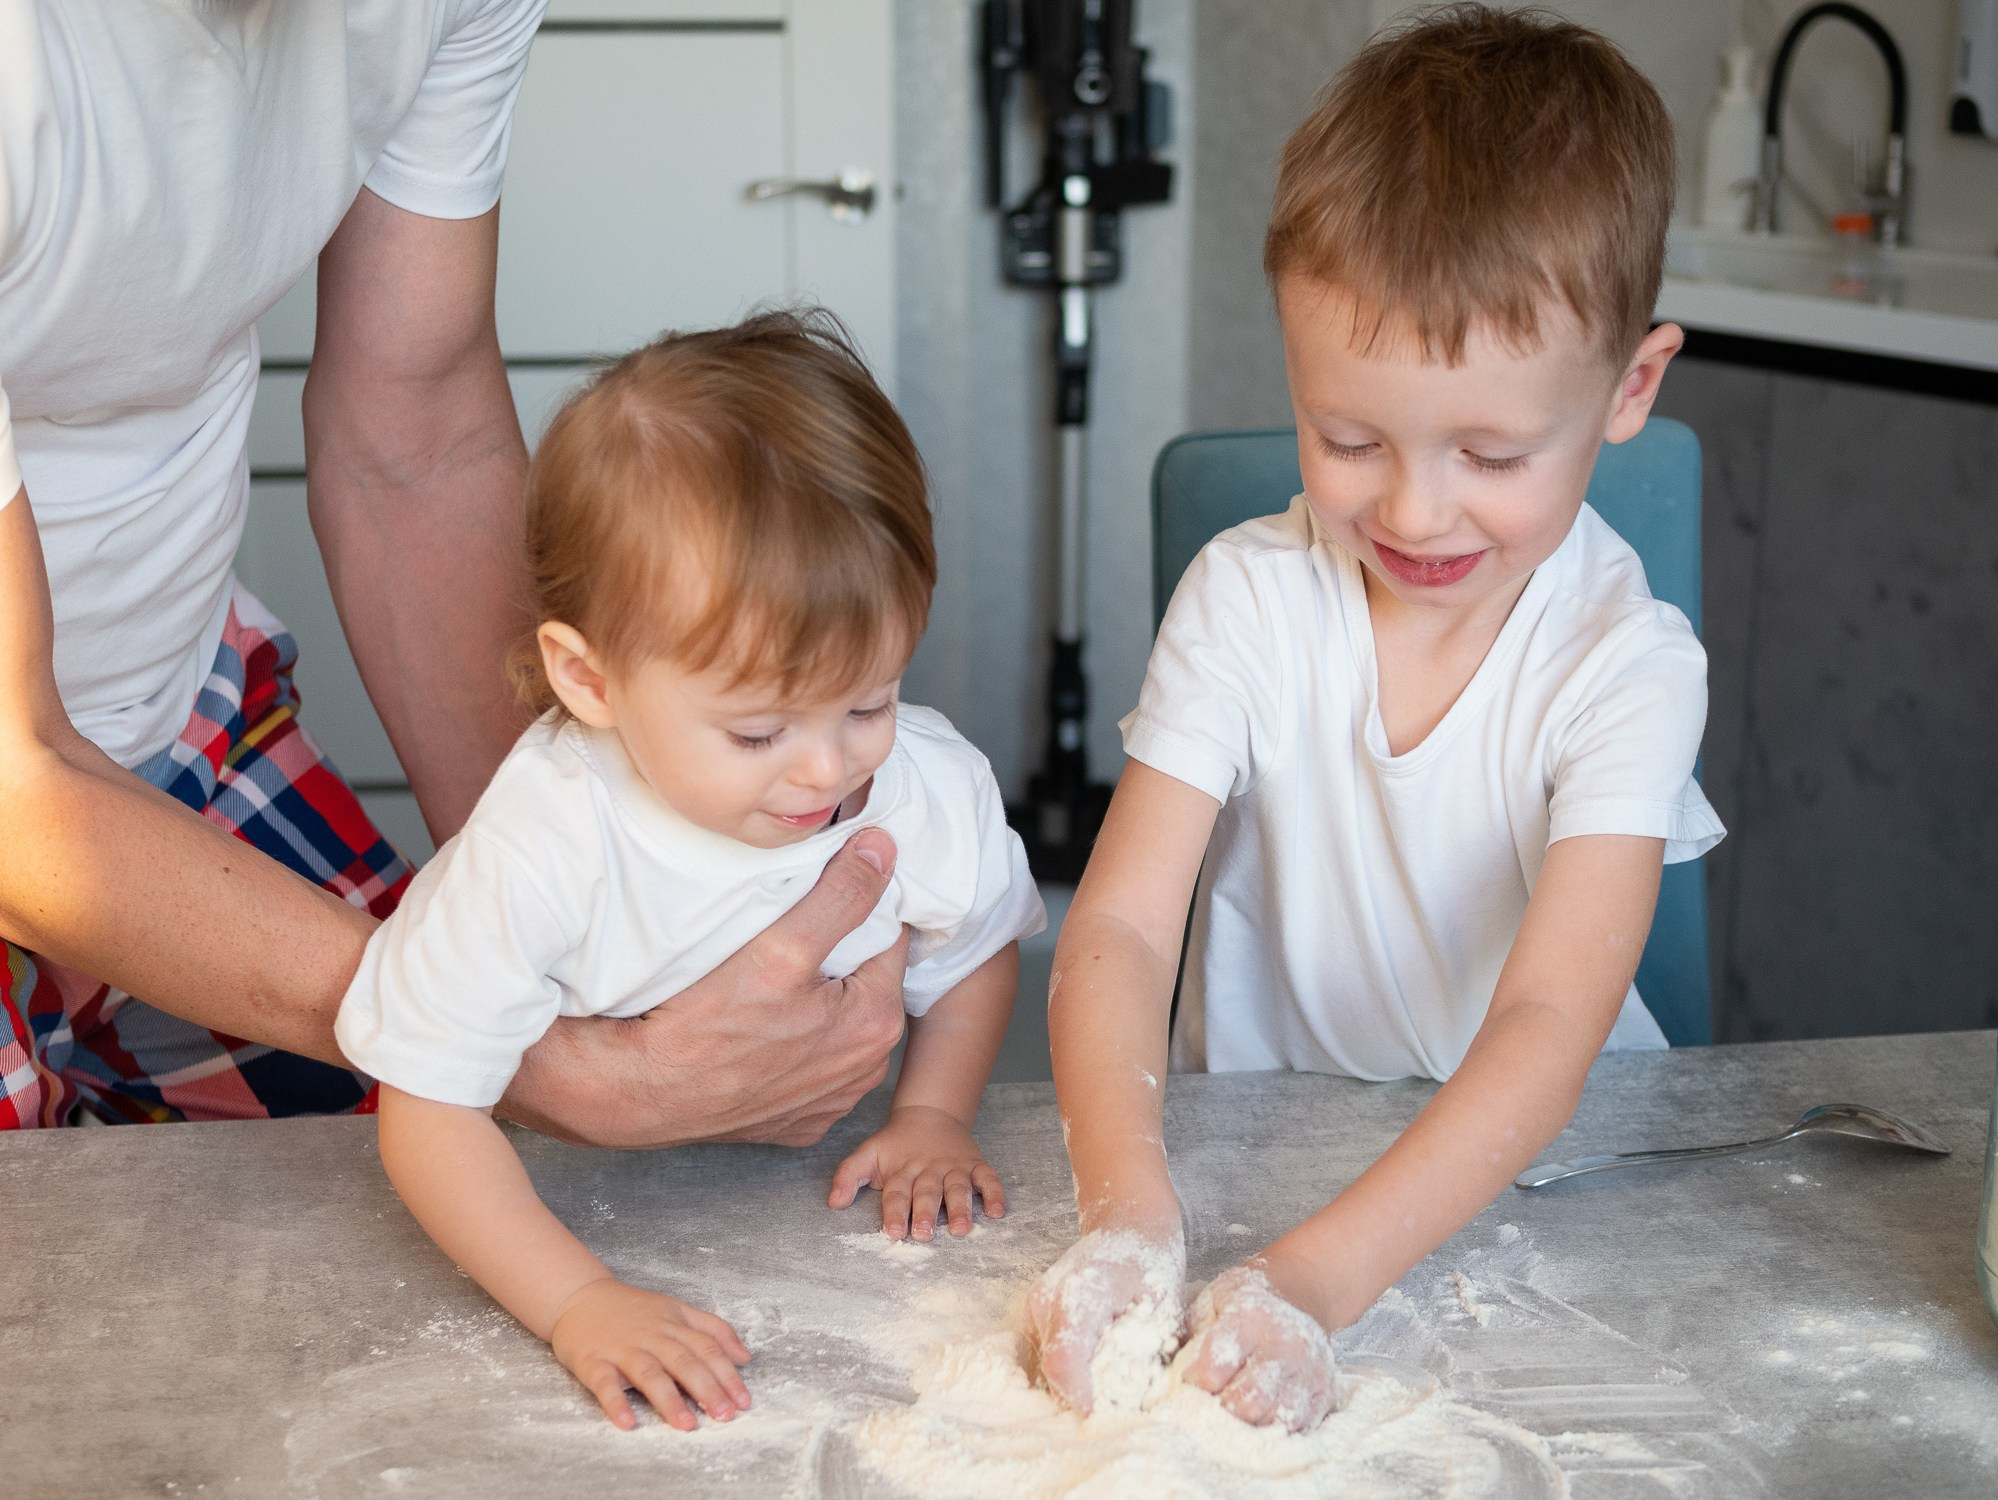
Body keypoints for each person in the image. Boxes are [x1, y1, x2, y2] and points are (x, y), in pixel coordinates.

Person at [0, 0, 910, 1142]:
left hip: (189, 710)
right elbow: (15, 782)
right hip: (19, 777)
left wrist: (602, 961)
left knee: (433, 1173)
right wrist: (506, 1042)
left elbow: (415, 433)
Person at [1025, 5, 1724, 1433]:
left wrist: (1311, 1281)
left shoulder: (1627, 665)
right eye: (1349, 439)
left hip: (1534, 1189)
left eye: (1490, 452)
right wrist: (1130, 1212)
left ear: (1630, 387)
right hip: (1254, 1136)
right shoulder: (1246, 601)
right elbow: (1120, 930)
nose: (1411, 509)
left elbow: (1544, 1025)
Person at [335, 311, 1044, 1431]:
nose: (828, 766)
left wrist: (933, 1114)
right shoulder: (544, 843)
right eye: (757, 732)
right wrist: (578, 1303)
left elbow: (973, 953)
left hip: (789, 1212)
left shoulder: (925, 783)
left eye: (868, 700)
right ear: (590, 680)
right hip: (571, 1202)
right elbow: (427, 1108)